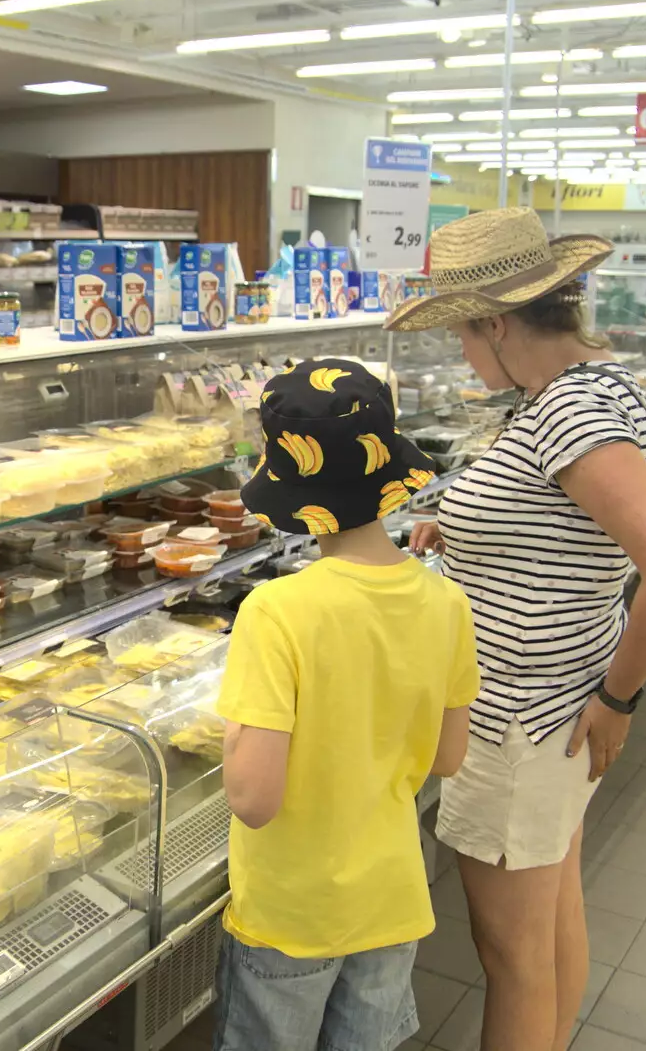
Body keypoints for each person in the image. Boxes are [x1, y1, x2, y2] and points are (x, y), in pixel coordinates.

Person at [390, 208, 646, 1051]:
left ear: (496, 323)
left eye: (462, 332)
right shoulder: (577, 390)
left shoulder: (568, 411)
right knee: (555, 912)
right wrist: (461, 528)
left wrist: (619, 698)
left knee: (511, 953)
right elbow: (560, 519)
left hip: (524, 720)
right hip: (553, 711)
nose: (460, 350)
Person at [214, 358, 481, 1051]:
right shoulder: (447, 601)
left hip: (292, 909)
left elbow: (253, 799)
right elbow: (447, 759)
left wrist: (233, 735)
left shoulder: (277, 611)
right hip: (392, 895)